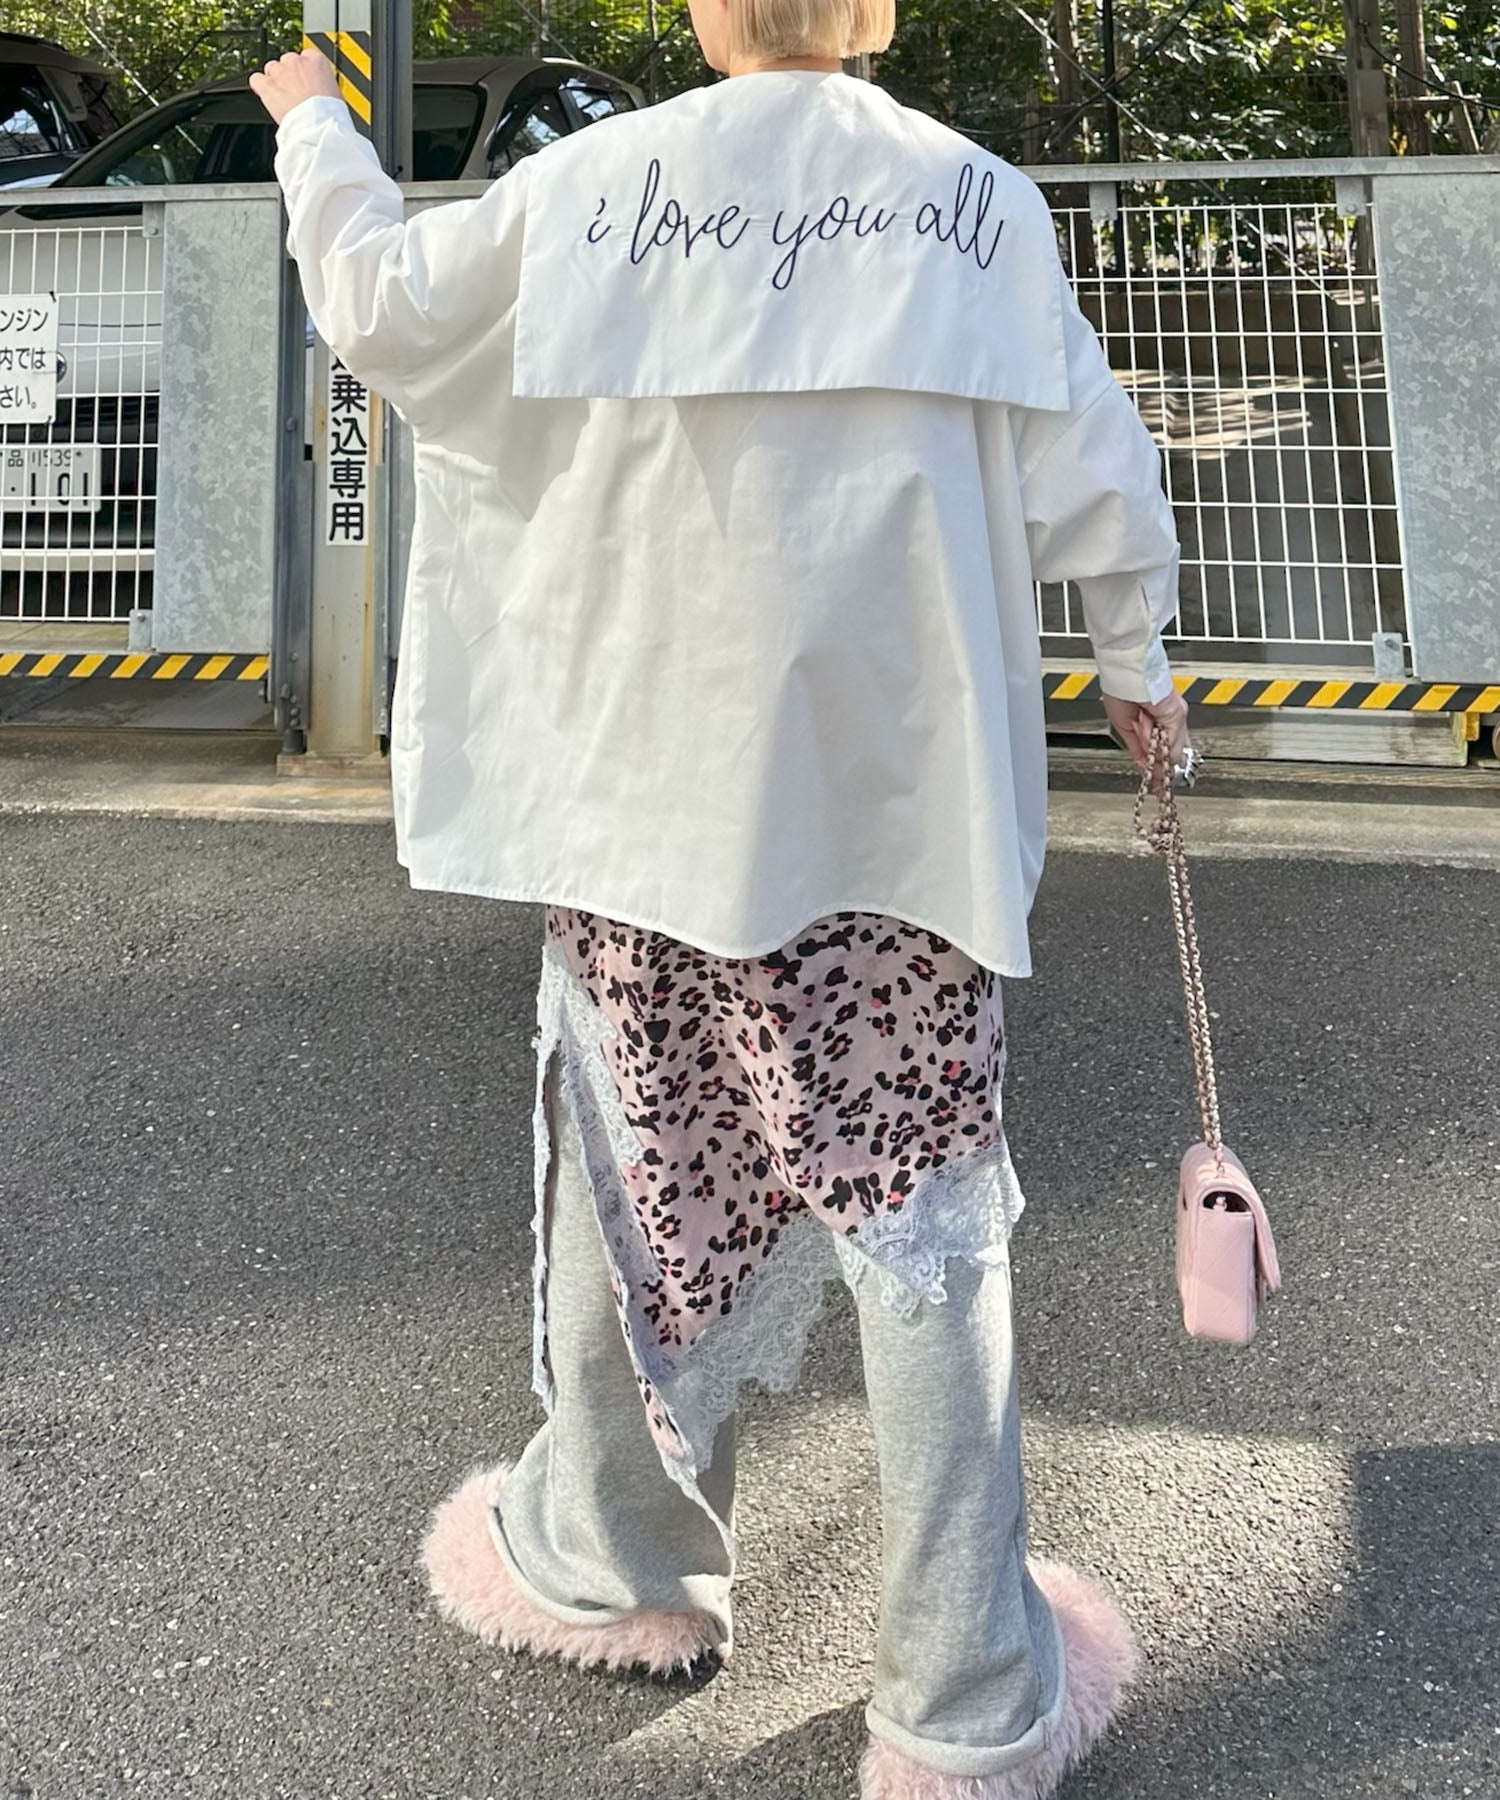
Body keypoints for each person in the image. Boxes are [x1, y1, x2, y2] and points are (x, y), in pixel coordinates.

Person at [252, 0, 1190, 1790]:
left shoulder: (598, 184)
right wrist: (1135, 663)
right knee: (926, 1225)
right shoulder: (972, 202)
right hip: (897, 826)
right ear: (875, 13)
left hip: (647, 810)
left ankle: (614, 1558)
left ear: (699, 12)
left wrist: (317, 125)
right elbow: (1094, 466)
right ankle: (965, 1692)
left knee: (634, 1164)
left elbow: (381, 304)